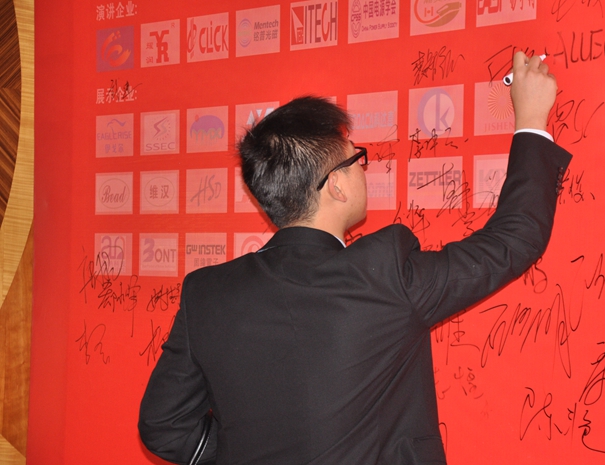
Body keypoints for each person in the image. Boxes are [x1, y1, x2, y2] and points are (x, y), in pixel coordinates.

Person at [139, 51, 572, 465]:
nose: (363, 169)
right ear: (336, 186)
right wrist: (531, 121)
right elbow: (513, 240)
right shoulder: (383, 276)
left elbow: (164, 426)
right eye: (355, 159)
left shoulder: (207, 293)